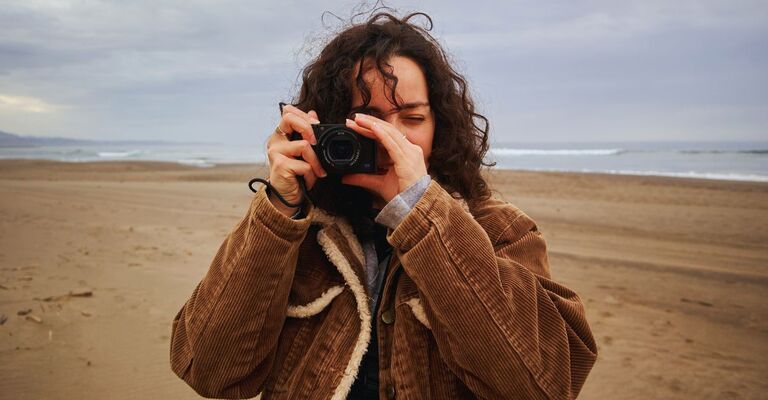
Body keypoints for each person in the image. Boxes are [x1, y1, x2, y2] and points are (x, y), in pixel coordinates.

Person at [170, 10, 597, 400]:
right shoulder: (299, 232)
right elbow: (209, 370)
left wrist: (420, 211)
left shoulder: (499, 231)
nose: (392, 139)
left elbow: (546, 386)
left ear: (441, 128)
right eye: (366, 121)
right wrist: (279, 209)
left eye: (412, 119)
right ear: (327, 126)